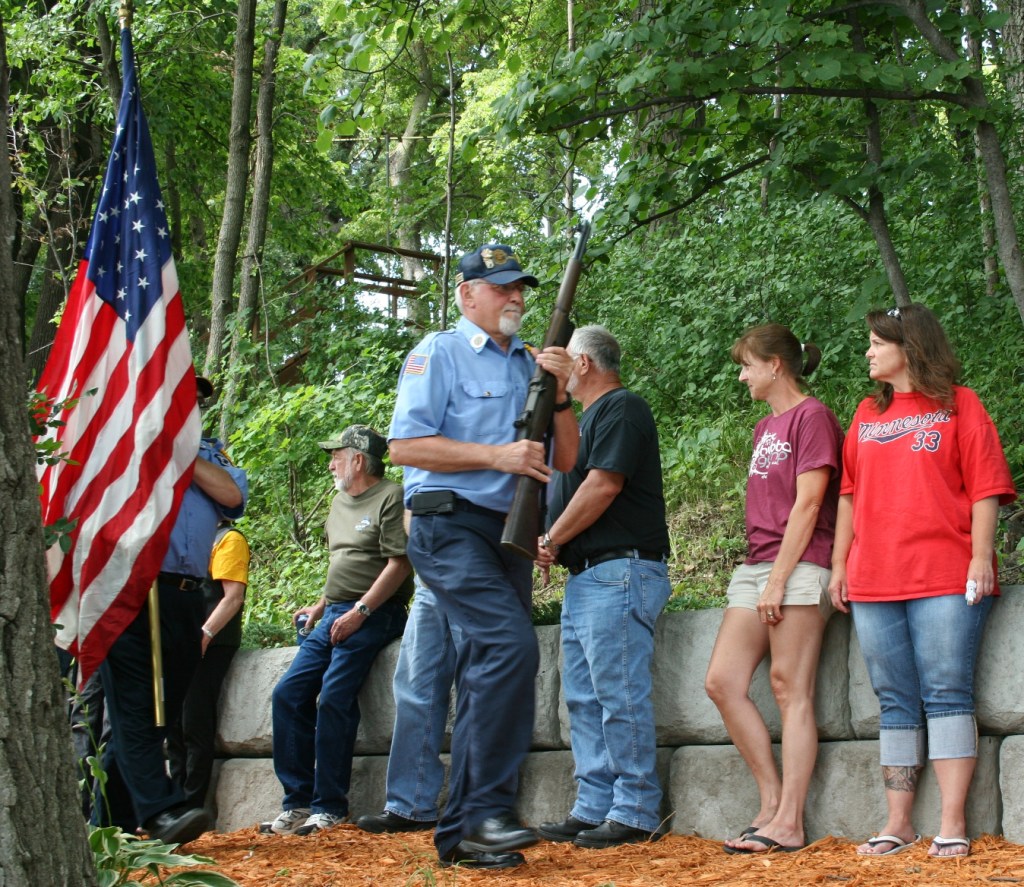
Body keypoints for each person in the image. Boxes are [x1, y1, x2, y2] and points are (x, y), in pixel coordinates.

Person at [388, 242, 579, 870]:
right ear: (467, 295)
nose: (516, 297)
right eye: (501, 288)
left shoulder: (530, 362)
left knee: (486, 668)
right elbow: (406, 447)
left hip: (509, 533)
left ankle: (464, 836)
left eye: (520, 287)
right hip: (448, 526)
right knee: (510, 646)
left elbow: (569, 460)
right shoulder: (438, 352)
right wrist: (498, 456)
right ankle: (489, 811)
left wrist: (564, 392)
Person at [828, 304, 1015, 860]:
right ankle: (898, 823)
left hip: (944, 574)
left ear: (908, 347)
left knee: (947, 694)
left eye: (875, 343)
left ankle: (952, 824)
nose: (868, 352)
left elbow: (985, 487)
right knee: (894, 701)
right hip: (873, 579)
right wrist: (840, 565)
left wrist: (981, 558)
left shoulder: (961, 404)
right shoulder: (866, 413)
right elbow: (848, 498)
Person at [704, 323, 843, 855]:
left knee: (789, 688)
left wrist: (781, 579)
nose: (742, 376)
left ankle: (789, 822)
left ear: (775, 365)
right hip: (756, 564)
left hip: (800, 564)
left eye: (747, 366)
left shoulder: (813, 418)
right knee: (721, 682)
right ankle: (770, 801)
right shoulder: (767, 428)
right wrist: (765, 576)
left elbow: (809, 504)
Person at [534, 325, 673, 849]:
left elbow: (603, 485)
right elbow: (570, 490)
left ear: (584, 365)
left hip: (621, 570)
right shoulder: (581, 422)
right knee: (585, 700)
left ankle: (636, 809)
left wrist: (552, 536)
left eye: (563, 361)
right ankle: (595, 804)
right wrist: (552, 545)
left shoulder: (622, 408)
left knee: (618, 696)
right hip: (589, 574)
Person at [97, 376, 248, 845]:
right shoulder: (126, 442)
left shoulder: (208, 452)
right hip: (129, 588)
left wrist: (179, 452)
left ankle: (108, 822)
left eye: (200, 399)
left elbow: (232, 495)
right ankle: (160, 811)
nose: (196, 405)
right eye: (186, 398)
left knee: (164, 713)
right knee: (135, 706)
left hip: (186, 594)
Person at [262, 425, 413, 837]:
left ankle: (329, 806)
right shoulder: (338, 501)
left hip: (377, 611)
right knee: (288, 694)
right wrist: (322, 605)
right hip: (335, 612)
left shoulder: (391, 496)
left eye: (337, 456)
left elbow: (398, 564)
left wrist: (361, 611)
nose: (331, 463)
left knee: (332, 696)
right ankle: (297, 802)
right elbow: (342, 564)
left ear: (359, 459)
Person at [355, 575, 457, 835]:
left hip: (476, 569)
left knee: (480, 689)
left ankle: (479, 810)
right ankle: (409, 806)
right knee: (413, 690)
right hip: (428, 580)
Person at [167, 521, 250, 810]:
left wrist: (206, 634)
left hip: (211, 644)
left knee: (194, 723)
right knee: (173, 726)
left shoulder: (227, 539)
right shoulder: (184, 539)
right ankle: (173, 805)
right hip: (180, 643)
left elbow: (233, 597)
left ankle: (191, 807)